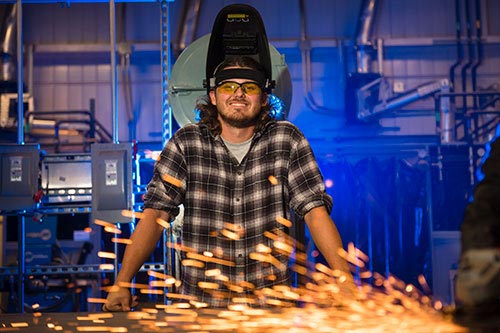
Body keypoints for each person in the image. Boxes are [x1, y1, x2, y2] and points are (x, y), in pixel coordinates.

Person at [103, 55, 354, 310]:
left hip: (271, 308)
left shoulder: (287, 140)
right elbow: (155, 213)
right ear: (214, 96)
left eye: (250, 87)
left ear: (264, 97)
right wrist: (122, 284)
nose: (239, 94)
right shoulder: (186, 143)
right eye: (229, 86)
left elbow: (315, 212)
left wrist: (344, 281)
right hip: (202, 307)